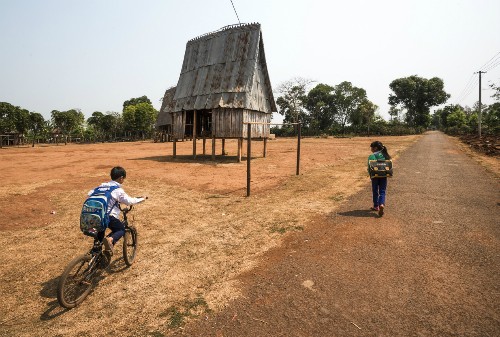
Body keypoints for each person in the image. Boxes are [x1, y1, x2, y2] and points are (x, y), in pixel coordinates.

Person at [89, 166, 147, 253]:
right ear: (121, 178)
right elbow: (129, 201)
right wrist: (142, 198)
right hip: (107, 216)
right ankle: (110, 240)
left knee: (99, 237)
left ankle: (94, 256)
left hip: (93, 215)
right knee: (120, 229)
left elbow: (89, 193)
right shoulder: (118, 190)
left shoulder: (101, 186)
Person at [368, 141, 391, 217]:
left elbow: (369, 167)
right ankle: (381, 204)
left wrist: (370, 174)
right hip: (384, 176)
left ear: (375, 148)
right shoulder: (385, 155)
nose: (371, 149)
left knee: (375, 191)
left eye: (371, 147)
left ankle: (376, 206)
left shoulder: (372, 156)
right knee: (382, 191)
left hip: (375, 176)